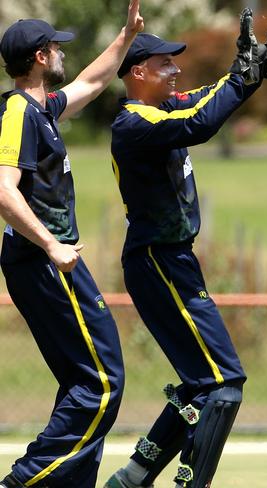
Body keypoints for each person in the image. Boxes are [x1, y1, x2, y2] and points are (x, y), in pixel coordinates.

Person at [102, 7, 267, 488]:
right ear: (139, 72)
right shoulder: (136, 122)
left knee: (202, 383)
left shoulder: (163, 107)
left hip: (168, 261)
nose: (176, 70)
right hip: (157, 260)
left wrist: (248, 76)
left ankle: (133, 475)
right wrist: (240, 81)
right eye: (166, 64)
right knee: (223, 385)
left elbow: (207, 99)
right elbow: (200, 123)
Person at [0, 3, 144, 488]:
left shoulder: (42, 108)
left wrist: (125, 38)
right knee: (102, 382)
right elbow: (2, 189)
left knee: (83, 382)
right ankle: (23, 480)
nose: (62, 52)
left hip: (51, 259)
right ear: (41, 57)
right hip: (45, 260)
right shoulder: (20, 112)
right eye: (56, 47)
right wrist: (49, 246)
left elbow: (90, 82)